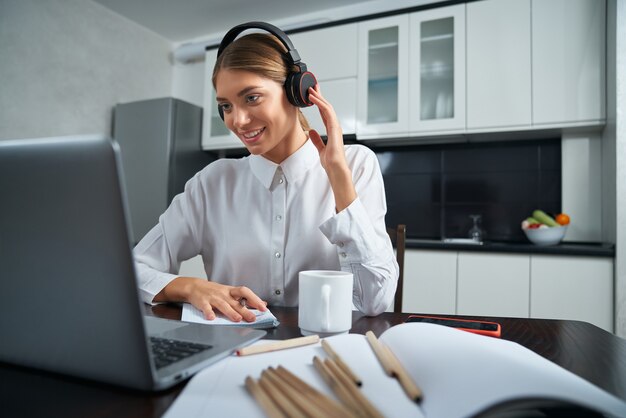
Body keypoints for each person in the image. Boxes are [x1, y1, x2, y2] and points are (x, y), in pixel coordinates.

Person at [133, 25, 398, 323]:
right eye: (226, 106)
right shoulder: (212, 182)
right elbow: (133, 267)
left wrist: (338, 175)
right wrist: (190, 286)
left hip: (327, 351)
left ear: (297, 92)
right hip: (235, 351)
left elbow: (375, 300)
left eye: (251, 98)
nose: (238, 120)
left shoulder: (357, 165)